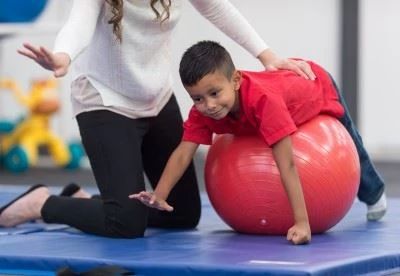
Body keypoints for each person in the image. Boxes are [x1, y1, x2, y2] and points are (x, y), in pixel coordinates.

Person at [0, 1, 316, 237]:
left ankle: (89, 201)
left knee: (182, 214)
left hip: (156, 98)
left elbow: (217, 8)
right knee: (125, 223)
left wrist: (267, 55)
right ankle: (43, 203)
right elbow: (78, 23)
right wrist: (63, 55)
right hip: (104, 100)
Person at [130, 40, 387, 245]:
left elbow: (286, 164)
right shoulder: (204, 112)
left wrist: (302, 223)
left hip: (314, 82)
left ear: (236, 80)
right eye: (197, 98)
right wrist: (159, 195)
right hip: (283, 86)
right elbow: (183, 153)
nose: (208, 105)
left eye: (215, 93)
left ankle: (374, 192)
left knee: (351, 138)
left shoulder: (265, 103)